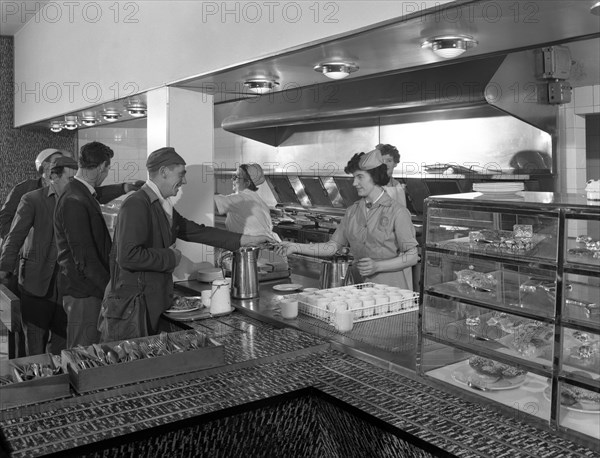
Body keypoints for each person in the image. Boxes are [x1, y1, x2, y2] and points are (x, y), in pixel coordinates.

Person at [105, 147, 274, 340]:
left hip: (149, 302)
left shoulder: (163, 204)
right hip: (133, 308)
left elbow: (196, 231)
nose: (184, 181)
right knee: (132, 367)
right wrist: (171, 256)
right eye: (181, 174)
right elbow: (128, 256)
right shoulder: (136, 204)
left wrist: (246, 240)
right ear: (163, 172)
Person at [276, 149, 418, 289]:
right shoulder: (352, 211)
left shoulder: (398, 212)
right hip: (359, 290)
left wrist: (377, 266)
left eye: (360, 177)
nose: (354, 183)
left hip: (391, 293)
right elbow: (332, 247)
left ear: (374, 177)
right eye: (354, 177)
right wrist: (295, 247)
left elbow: (412, 256)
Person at [0, 157, 79, 355]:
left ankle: (57, 383)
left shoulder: (77, 201)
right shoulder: (32, 198)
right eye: (70, 179)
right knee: (34, 344)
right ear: (54, 176)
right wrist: (3, 271)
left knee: (61, 346)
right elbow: (15, 237)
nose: (73, 184)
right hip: (35, 284)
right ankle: (34, 383)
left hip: (65, 287)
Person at [54, 142, 119, 347]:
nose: (107, 173)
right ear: (101, 167)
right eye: (107, 168)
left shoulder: (78, 191)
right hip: (84, 292)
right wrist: (109, 288)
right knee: (82, 355)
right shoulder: (74, 198)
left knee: (87, 353)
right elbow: (83, 258)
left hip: (87, 290)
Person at [214, 163, 282, 267]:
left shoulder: (243, 198)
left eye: (236, 177)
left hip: (254, 255)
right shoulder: (255, 198)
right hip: (267, 254)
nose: (232, 179)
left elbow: (211, 204)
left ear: (247, 182)